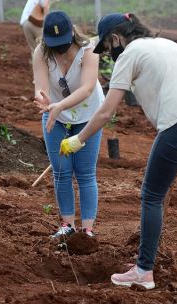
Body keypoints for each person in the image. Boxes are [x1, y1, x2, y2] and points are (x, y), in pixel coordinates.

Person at [59, 13, 177, 289]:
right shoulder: (167, 44)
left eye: (108, 49)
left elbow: (106, 112)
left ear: (116, 38)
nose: (109, 56)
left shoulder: (129, 54)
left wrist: (79, 140)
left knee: (151, 196)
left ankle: (143, 271)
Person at [33, 11, 105, 238]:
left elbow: (87, 88)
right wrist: (43, 100)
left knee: (85, 173)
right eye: (54, 45)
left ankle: (87, 230)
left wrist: (59, 106)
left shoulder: (90, 50)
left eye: (62, 44)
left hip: (88, 117)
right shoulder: (41, 52)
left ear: (72, 33)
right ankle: (66, 225)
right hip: (56, 116)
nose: (59, 49)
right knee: (61, 173)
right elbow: (41, 87)